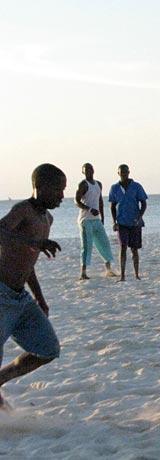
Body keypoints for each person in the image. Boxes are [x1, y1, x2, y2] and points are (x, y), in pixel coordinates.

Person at [0, 164, 65, 408]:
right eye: (57, 190)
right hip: (1, 294)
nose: (61, 196)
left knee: (48, 349)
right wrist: (34, 242)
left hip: (21, 298)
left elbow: (28, 262)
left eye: (63, 190)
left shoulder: (48, 218)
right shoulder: (23, 211)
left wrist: (40, 298)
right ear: (40, 187)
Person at [75, 163, 116, 280]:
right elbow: (76, 201)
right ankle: (83, 272)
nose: (88, 172)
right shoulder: (83, 184)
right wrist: (88, 209)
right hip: (85, 219)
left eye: (90, 169)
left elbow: (100, 201)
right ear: (83, 172)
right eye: (85, 170)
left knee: (104, 243)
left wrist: (102, 217)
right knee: (87, 245)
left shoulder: (98, 184)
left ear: (93, 170)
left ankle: (108, 269)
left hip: (96, 220)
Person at [109, 164, 148, 281]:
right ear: (118, 173)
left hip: (135, 222)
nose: (124, 174)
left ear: (129, 172)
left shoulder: (136, 186)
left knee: (134, 249)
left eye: (125, 172)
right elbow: (112, 206)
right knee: (122, 248)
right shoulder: (114, 188)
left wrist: (139, 217)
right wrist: (114, 221)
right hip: (121, 222)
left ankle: (136, 274)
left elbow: (144, 203)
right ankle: (122, 275)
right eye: (121, 172)